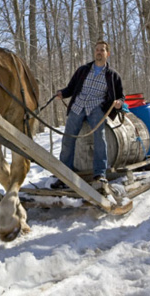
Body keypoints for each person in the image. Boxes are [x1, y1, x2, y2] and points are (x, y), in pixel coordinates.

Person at [52, 41, 124, 189]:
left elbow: (122, 96)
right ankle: (65, 174)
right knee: (68, 139)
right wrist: (62, 93)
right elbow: (71, 88)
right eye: (97, 50)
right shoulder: (83, 70)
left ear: (107, 54)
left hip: (96, 108)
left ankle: (100, 174)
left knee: (100, 139)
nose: (99, 52)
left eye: (102, 50)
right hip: (78, 106)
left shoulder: (112, 75)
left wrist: (119, 102)